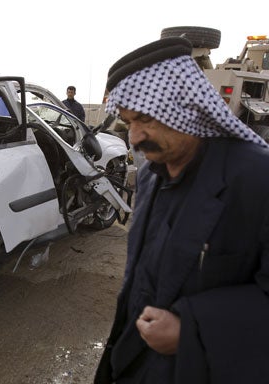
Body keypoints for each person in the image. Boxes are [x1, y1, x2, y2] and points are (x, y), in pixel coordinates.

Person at [94, 36, 269, 384]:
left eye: (145, 119)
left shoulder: (257, 178)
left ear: (186, 105)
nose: (135, 137)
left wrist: (194, 328)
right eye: (128, 123)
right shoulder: (148, 175)